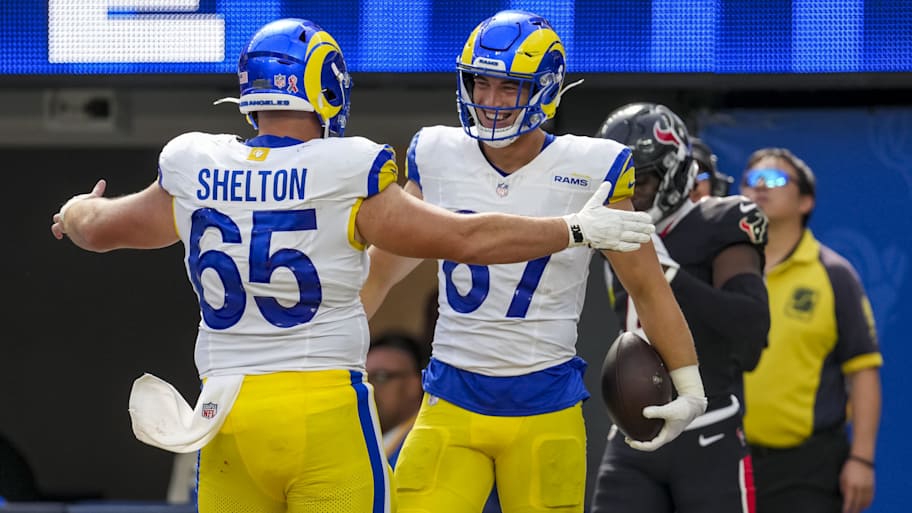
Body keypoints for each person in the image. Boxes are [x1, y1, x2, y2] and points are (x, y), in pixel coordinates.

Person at [48, 18, 657, 513]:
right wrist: (573, 227)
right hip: (321, 408)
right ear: (325, 88)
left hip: (226, 411)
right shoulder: (348, 170)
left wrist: (78, 210)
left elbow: (99, 230)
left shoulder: (193, 163)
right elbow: (467, 238)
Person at [359, 11, 707, 513]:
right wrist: (329, 359)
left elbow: (648, 288)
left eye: (508, 87)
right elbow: (382, 270)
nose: (490, 101)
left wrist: (691, 385)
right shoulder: (436, 153)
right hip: (451, 399)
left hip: (545, 404)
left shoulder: (592, 167)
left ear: (546, 90)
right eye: (481, 83)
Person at [590, 103, 771, 513]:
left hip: (708, 434)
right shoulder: (608, 224)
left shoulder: (722, 220)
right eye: (620, 181)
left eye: (641, 180)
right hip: (633, 437)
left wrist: (669, 276)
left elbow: (751, 325)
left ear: (672, 172)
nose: (628, 193)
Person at [739, 148, 882, 513]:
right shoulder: (724, 267)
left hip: (807, 468)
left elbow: (863, 370)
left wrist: (862, 459)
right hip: (724, 458)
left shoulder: (834, 274)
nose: (760, 188)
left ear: (805, 201)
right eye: (752, 180)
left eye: (774, 179)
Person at [367, 332, 427, 468]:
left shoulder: (426, 447)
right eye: (364, 379)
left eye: (381, 377)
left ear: (415, 384)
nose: (369, 388)